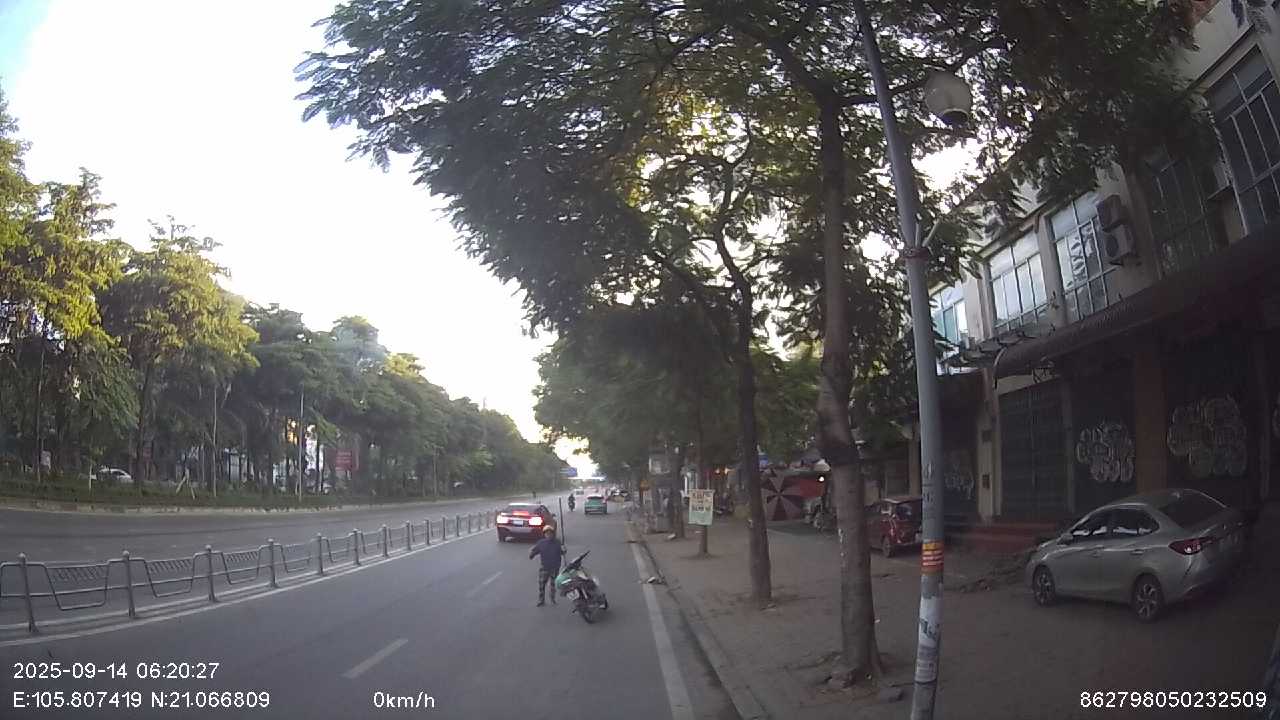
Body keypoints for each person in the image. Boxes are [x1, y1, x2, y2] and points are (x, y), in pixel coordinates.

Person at [529, 525, 566, 607]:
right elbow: (534, 551)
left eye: (550, 533)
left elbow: (562, 552)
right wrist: (531, 554)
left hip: (555, 567)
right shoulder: (541, 543)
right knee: (542, 584)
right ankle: (541, 600)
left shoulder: (557, 542)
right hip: (544, 567)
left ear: (553, 534)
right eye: (547, 533)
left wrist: (564, 549)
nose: (548, 535)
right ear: (544, 534)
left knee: (553, 584)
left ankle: (552, 598)